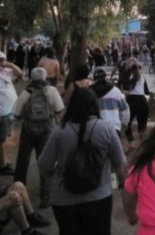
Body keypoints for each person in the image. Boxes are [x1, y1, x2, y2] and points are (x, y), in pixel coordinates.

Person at [38, 88, 126, 235]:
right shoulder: (106, 129)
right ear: (94, 105)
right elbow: (120, 164)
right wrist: (122, 186)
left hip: (64, 200)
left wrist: (57, 171)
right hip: (99, 197)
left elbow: (44, 166)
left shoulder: (59, 131)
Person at [12, 67, 65, 208]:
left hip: (28, 130)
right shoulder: (51, 90)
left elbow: (16, 114)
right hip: (46, 130)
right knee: (46, 163)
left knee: (22, 162)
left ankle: (18, 193)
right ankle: (46, 198)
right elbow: (60, 110)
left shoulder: (26, 92)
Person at [90, 68, 130, 137]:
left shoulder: (89, 92)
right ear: (105, 77)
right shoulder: (115, 91)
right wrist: (124, 124)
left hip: (96, 129)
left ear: (94, 79)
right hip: (114, 128)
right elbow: (125, 110)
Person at [0, 52, 22, 175]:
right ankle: (3, 166)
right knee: (2, 140)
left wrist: (9, 64)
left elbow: (20, 73)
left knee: (5, 139)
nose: (1, 63)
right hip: (2, 112)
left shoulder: (6, 72)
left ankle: (4, 162)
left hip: (9, 111)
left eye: (2, 60)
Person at [124, 58, 149, 143]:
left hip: (132, 101)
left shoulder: (131, 76)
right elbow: (147, 92)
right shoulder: (142, 77)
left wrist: (124, 93)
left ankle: (131, 142)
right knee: (142, 126)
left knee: (127, 123)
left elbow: (129, 88)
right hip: (142, 101)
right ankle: (143, 144)